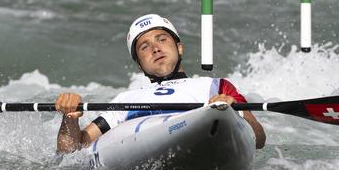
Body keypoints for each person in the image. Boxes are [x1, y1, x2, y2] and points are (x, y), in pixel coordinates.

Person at [55, 14, 266, 153]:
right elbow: (72, 150)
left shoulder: (215, 86)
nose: (155, 48)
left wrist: (233, 112)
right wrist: (70, 119)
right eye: (144, 46)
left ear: (179, 48)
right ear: (139, 65)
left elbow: (258, 139)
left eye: (162, 39)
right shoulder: (125, 100)